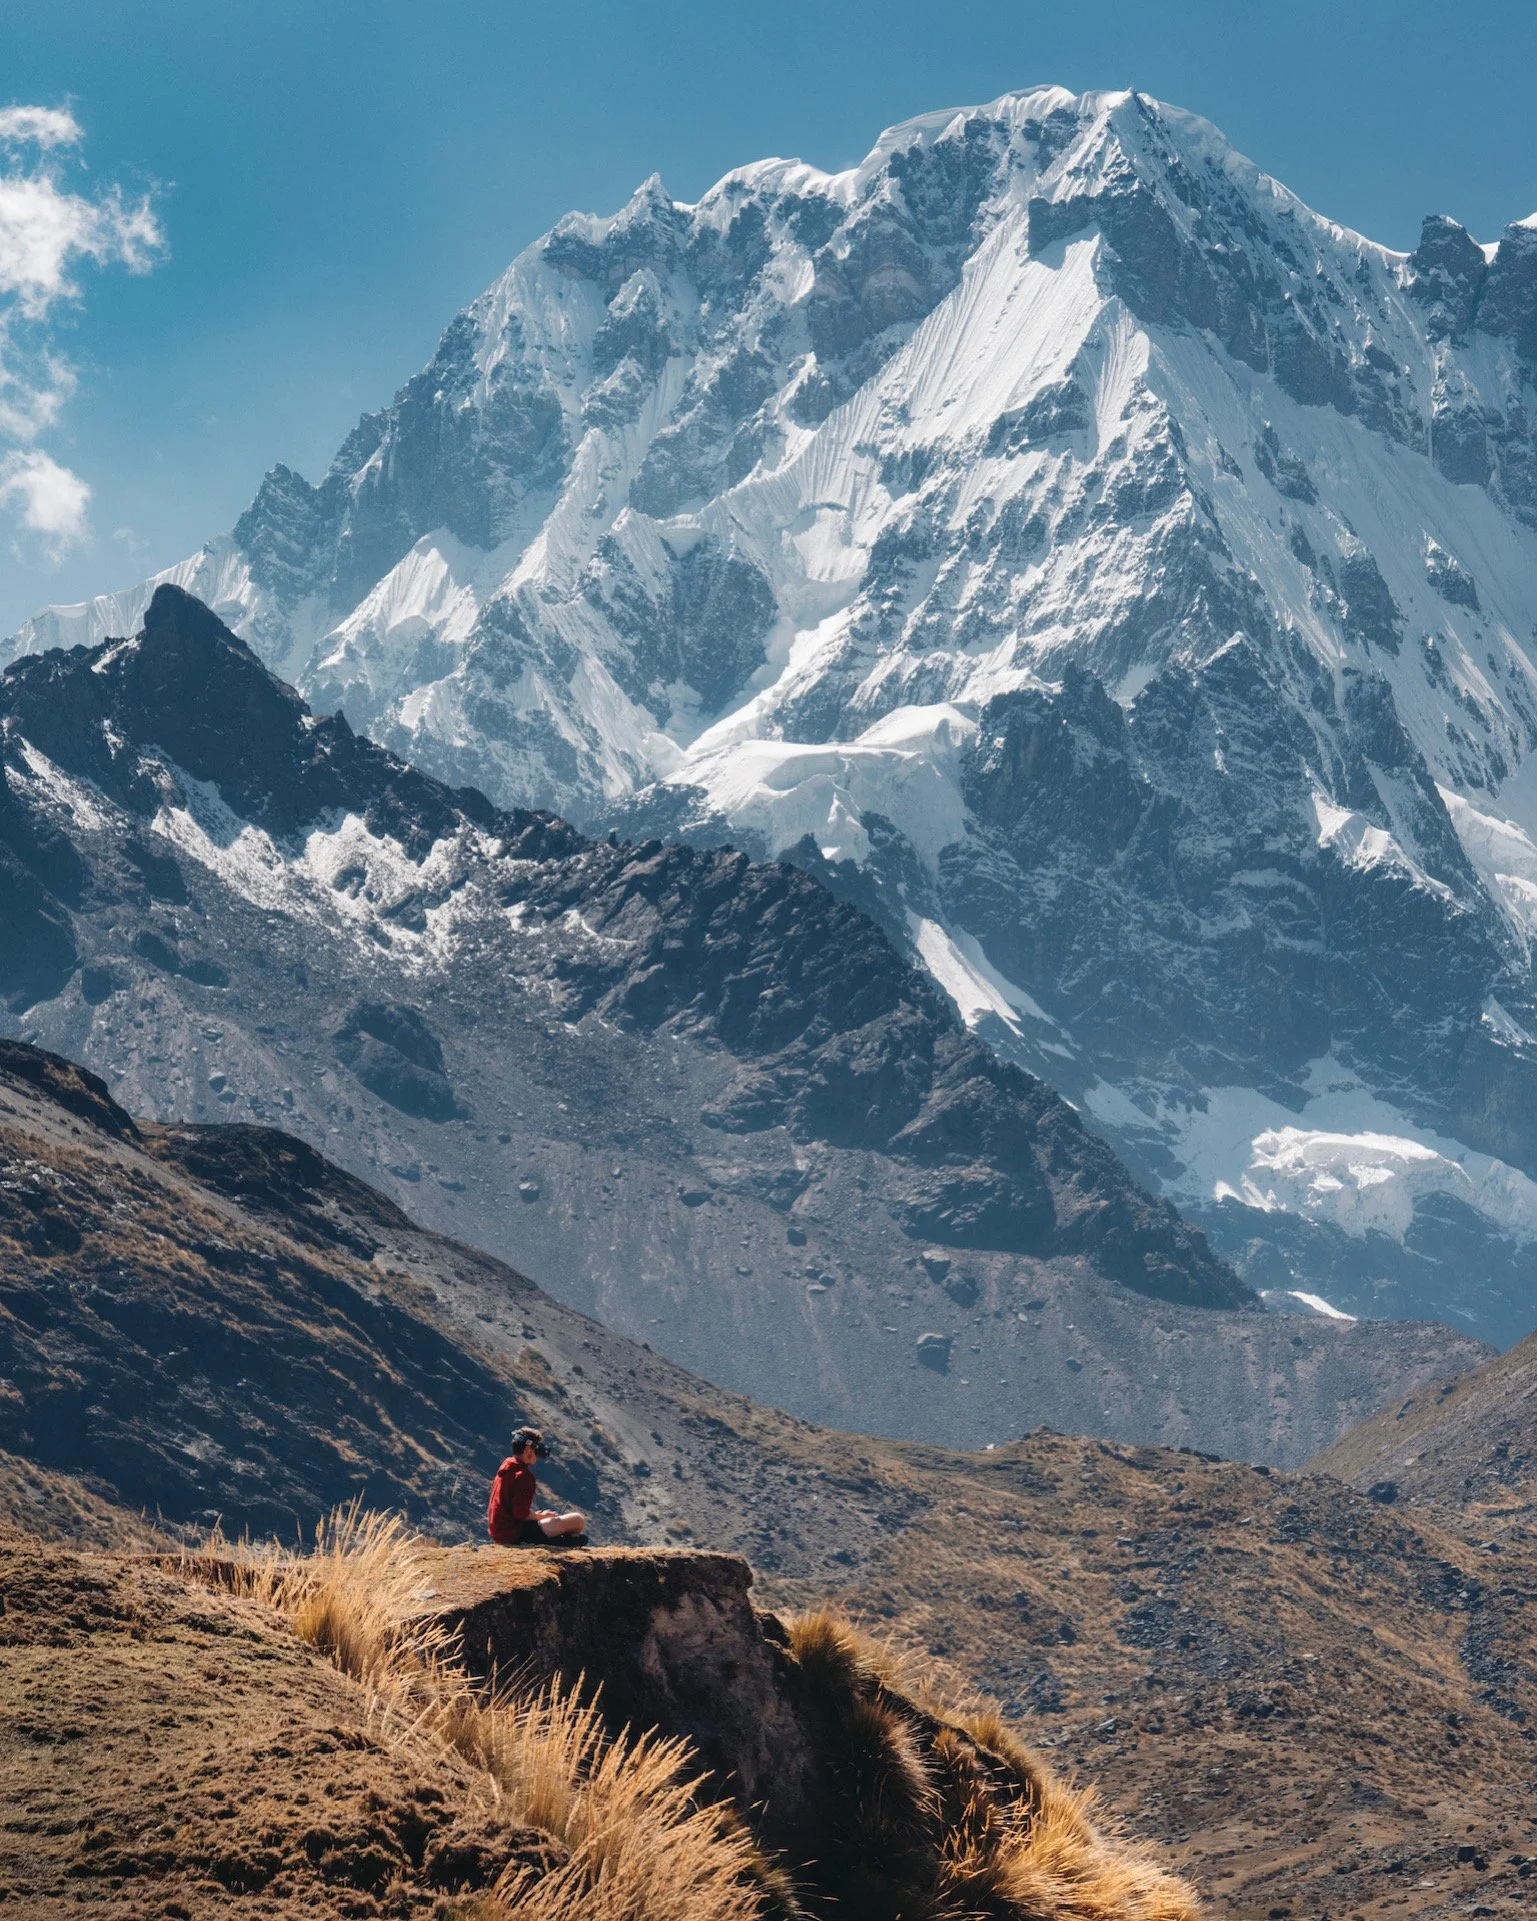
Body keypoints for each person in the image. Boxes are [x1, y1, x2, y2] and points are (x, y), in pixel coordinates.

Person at [487, 1427, 587, 1545]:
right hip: (515, 1534)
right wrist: (541, 1516)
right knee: (577, 1520)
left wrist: (537, 1516)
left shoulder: (505, 1468)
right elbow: (520, 1514)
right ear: (529, 1450)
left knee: (573, 1533)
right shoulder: (523, 1476)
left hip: (499, 1533)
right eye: (536, 1449)